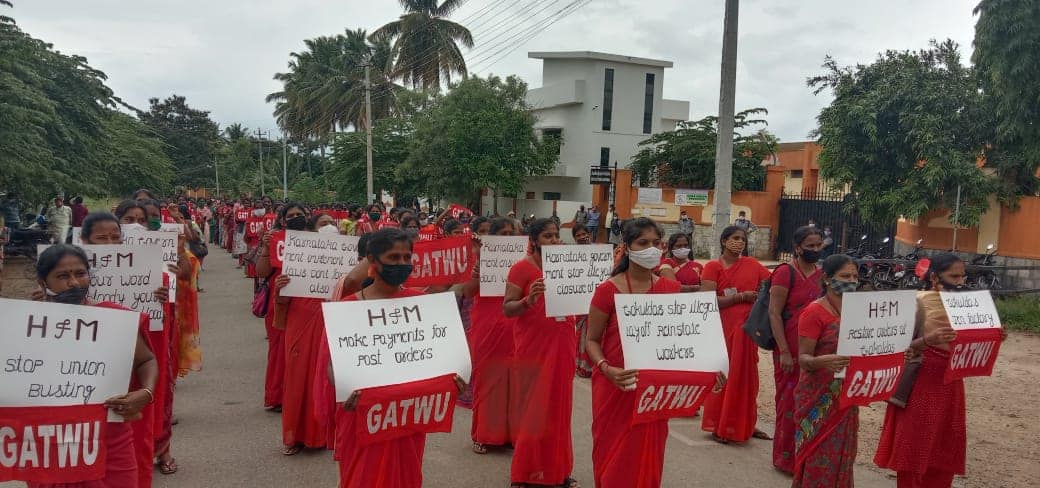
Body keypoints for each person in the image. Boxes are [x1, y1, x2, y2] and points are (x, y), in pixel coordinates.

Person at [319, 228, 466, 487]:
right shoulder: (348, 308)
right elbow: (331, 365)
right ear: (373, 262)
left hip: (405, 415)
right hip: (364, 414)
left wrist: (453, 380)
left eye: (407, 257)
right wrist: (344, 388)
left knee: (406, 475)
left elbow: (435, 353)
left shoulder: (420, 303)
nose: (402, 264)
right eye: (394, 257)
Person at [585, 217, 724, 488]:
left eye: (656, 243)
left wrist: (710, 372)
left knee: (648, 453)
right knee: (612, 454)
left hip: (653, 392)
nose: (651, 249)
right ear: (626, 246)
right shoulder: (607, 290)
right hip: (616, 386)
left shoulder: (670, 289)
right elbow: (591, 340)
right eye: (643, 243)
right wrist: (606, 368)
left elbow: (684, 343)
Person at [28, 244, 158, 488]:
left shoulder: (112, 317)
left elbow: (146, 360)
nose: (74, 283)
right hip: (50, 445)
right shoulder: (30, 326)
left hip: (111, 440)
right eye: (62, 276)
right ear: (43, 281)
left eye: (80, 273)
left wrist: (146, 391)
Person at [873, 253, 1002, 488]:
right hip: (920, 385)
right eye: (953, 276)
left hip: (950, 384)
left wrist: (993, 337)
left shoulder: (971, 307)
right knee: (914, 448)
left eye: (963, 276)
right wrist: (927, 340)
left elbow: (970, 347)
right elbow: (892, 349)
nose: (960, 282)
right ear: (934, 278)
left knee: (944, 448)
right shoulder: (916, 303)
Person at [503, 218, 578, 488]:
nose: (554, 241)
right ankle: (524, 473)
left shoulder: (566, 267)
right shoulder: (522, 269)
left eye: (556, 236)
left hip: (563, 343)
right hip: (533, 347)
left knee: (560, 410)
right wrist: (528, 300)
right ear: (533, 241)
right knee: (534, 412)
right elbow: (507, 308)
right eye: (547, 236)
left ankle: (558, 472)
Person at [699, 225, 771, 444]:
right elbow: (707, 299)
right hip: (723, 329)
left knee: (748, 378)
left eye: (742, 239)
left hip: (748, 331)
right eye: (735, 238)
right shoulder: (712, 266)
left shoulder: (752, 265)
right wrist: (740, 297)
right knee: (724, 375)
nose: (739, 242)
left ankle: (746, 422)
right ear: (723, 241)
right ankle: (719, 424)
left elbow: (772, 285)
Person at [791, 254, 857, 486]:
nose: (851, 280)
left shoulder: (857, 311)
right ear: (827, 279)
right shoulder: (814, 312)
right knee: (818, 455)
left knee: (842, 452)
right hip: (817, 398)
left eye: (854, 276)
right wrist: (824, 361)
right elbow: (804, 358)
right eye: (845, 276)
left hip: (845, 396)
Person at [269, 205, 330, 455]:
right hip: (299, 319)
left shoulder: (341, 260)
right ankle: (295, 435)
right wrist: (280, 288)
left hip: (329, 320)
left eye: (331, 224)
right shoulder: (298, 255)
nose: (327, 228)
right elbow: (282, 299)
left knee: (325, 377)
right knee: (297, 377)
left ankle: (323, 435)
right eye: (322, 223)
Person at [768, 226, 824, 473]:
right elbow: (774, 313)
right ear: (798, 247)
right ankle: (785, 458)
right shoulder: (785, 273)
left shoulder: (822, 274)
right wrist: (784, 352)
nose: (814, 250)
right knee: (789, 403)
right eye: (809, 246)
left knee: (810, 402)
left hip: (814, 347)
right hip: (788, 346)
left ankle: (806, 456)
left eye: (818, 245)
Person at [466, 218, 519, 455]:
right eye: (503, 233)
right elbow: (467, 291)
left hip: (514, 326)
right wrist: (479, 264)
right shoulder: (478, 257)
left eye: (511, 233)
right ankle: (482, 435)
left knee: (513, 382)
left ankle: (507, 436)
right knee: (488, 379)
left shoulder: (522, 260)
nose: (507, 238)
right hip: (487, 326)